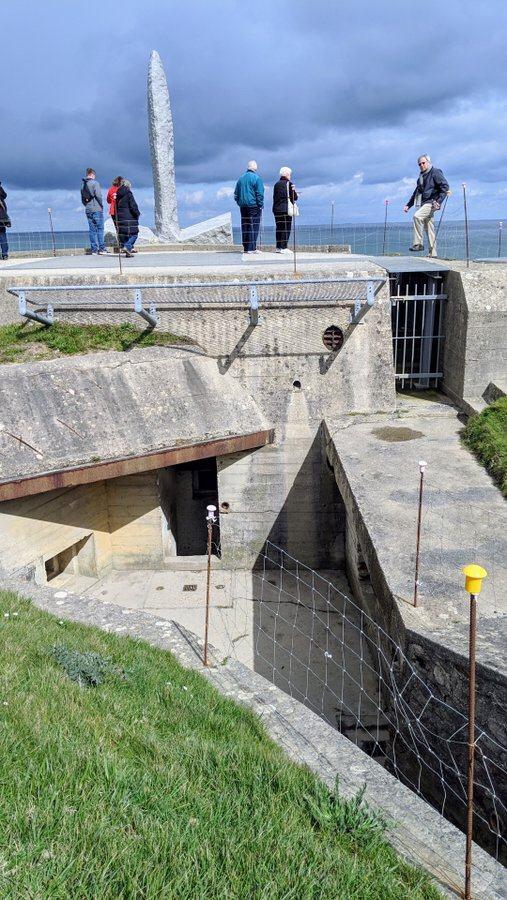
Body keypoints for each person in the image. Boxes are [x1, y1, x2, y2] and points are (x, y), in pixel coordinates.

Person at [404, 155, 449, 257]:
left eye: (423, 163)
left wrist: (439, 201)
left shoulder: (435, 172)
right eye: (419, 164)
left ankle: (418, 244)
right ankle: (433, 254)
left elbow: (445, 187)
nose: (421, 165)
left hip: (431, 203)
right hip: (423, 203)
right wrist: (408, 205)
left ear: (428, 162)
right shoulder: (421, 177)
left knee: (417, 216)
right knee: (429, 228)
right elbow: (416, 193)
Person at [234, 160, 264, 253]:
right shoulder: (256, 178)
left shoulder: (240, 178)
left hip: (243, 206)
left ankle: (246, 248)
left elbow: (236, 194)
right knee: (253, 226)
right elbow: (260, 193)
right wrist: (260, 204)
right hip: (253, 205)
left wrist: (239, 202)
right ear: (255, 167)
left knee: (245, 226)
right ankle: (251, 248)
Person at [81, 168, 108, 255]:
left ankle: (94, 250)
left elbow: (82, 199)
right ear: (92, 175)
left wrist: (87, 205)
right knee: (100, 229)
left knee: (92, 230)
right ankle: (102, 248)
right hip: (96, 209)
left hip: (88, 209)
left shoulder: (83, 185)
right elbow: (98, 196)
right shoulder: (95, 183)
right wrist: (101, 205)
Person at [272, 166, 298, 253]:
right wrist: (294, 191)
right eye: (290, 174)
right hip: (285, 209)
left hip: (276, 209)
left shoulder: (276, 184)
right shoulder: (289, 184)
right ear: (287, 174)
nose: (290, 176)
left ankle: (278, 247)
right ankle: (284, 247)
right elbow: (294, 197)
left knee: (279, 228)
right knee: (286, 228)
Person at [115, 179, 140, 257]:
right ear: (128, 186)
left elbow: (116, 207)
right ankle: (127, 247)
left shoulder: (118, 195)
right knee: (134, 234)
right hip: (129, 218)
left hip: (120, 218)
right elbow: (133, 206)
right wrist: (137, 214)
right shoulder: (129, 194)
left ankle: (128, 252)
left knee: (125, 234)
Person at [0, 182, 10, 260]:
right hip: (2, 218)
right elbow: (5, 195)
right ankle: (5, 254)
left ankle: (4, 254)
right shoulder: (1, 196)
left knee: (2, 235)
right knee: (3, 236)